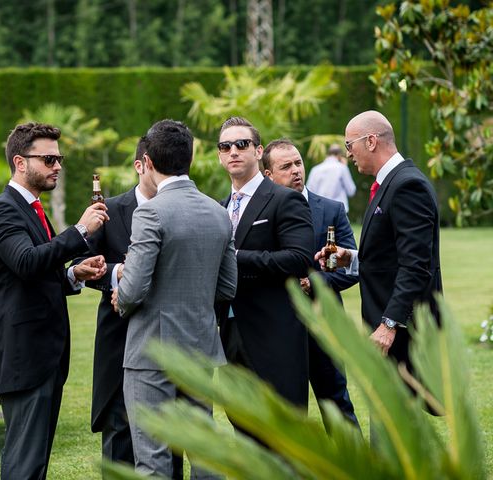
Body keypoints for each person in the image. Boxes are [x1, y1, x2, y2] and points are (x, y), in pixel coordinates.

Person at [0, 122, 109, 480]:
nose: (58, 166)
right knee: (24, 463)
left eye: (59, 158)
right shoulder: (2, 210)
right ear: (20, 162)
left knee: (34, 463)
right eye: (49, 158)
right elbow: (25, 262)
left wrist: (72, 274)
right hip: (25, 355)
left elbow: (37, 273)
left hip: (45, 356)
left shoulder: (34, 208)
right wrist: (81, 230)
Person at [111, 119, 237, 478]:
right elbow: (228, 287)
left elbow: (133, 289)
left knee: (152, 458)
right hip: (200, 345)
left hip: (152, 350)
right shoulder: (218, 211)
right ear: (191, 158)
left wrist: (121, 297)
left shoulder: (149, 211)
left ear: (146, 162)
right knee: (204, 452)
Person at [77, 137, 186, 475]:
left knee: (173, 442)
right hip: (119, 342)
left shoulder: (185, 208)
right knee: (120, 440)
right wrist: (116, 273)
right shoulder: (109, 210)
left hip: (172, 342)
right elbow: (82, 262)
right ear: (140, 166)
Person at [315, 110, 442, 374]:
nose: (348, 154)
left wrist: (389, 324)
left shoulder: (407, 186)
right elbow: (391, 256)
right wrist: (350, 258)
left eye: (350, 145)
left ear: (371, 141)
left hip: (402, 334)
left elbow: (416, 265)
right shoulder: (389, 183)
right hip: (386, 328)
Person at [261, 138, 360, 429]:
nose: (296, 170)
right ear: (268, 174)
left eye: (298, 163)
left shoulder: (330, 210)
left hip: (323, 323)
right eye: (286, 166)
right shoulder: (260, 213)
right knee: (285, 412)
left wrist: (313, 283)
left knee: (337, 404)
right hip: (275, 327)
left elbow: (351, 267)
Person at [216, 117, 313, 410]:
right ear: (219, 156)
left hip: (275, 333)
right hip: (230, 332)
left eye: (242, 144)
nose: (233, 151)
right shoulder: (219, 208)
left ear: (258, 152)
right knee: (243, 428)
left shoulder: (284, 200)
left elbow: (300, 259)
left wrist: (235, 259)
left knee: (284, 435)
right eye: (225, 146)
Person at [306, 144, 357, 213]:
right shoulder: (342, 168)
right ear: (339, 155)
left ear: (328, 154)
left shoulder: (315, 169)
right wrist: (345, 166)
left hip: (320, 211)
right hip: (339, 212)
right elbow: (351, 191)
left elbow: (309, 192)